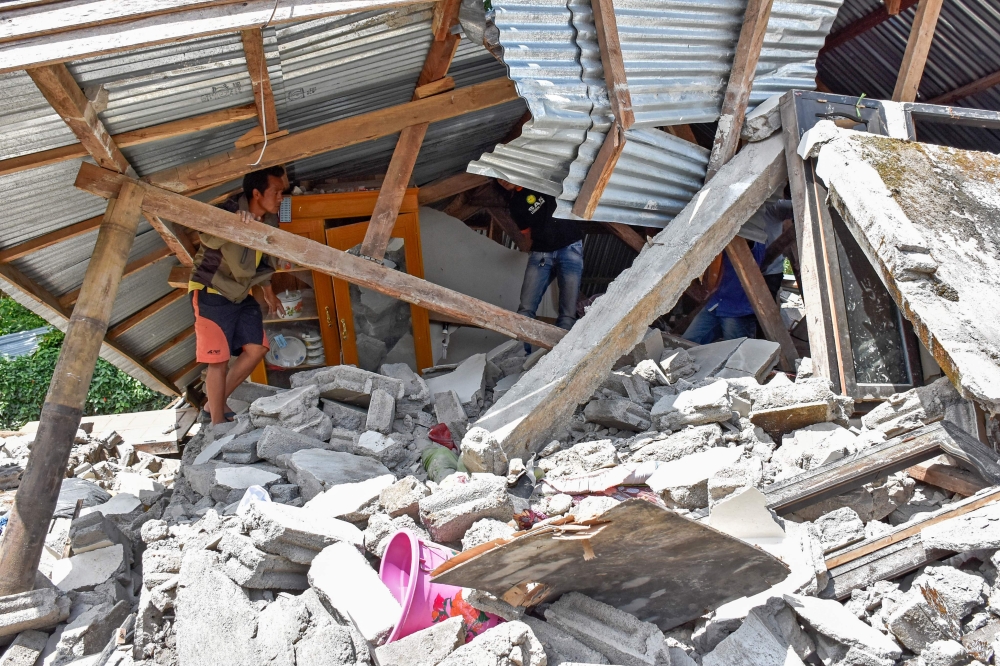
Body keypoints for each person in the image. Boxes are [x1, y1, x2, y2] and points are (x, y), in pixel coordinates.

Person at [189, 168, 287, 424]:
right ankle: (217, 424)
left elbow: (263, 260)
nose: (280, 198)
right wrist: (231, 221)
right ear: (256, 193)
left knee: (257, 348)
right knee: (218, 360)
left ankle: (213, 406)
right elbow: (206, 237)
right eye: (276, 192)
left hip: (241, 293)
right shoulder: (230, 209)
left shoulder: (268, 220)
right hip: (212, 290)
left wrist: (269, 292)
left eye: (282, 192)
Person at [497, 179, 584, 345]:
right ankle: (519, 352)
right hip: (541, 252)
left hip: (570, 246)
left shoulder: (540, 180)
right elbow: (527, 234)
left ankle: (559, 355)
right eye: (497, 180)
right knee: (526, 308)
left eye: (502, 176)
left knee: (568, 312)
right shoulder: (515, 204)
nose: (502, 181)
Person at [682, 238, 765, 344]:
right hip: (716, 304)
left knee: (736, 352)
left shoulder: (754, 244)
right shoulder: (727, 243)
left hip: (737, 310)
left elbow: (749, 238)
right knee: (687, 341)